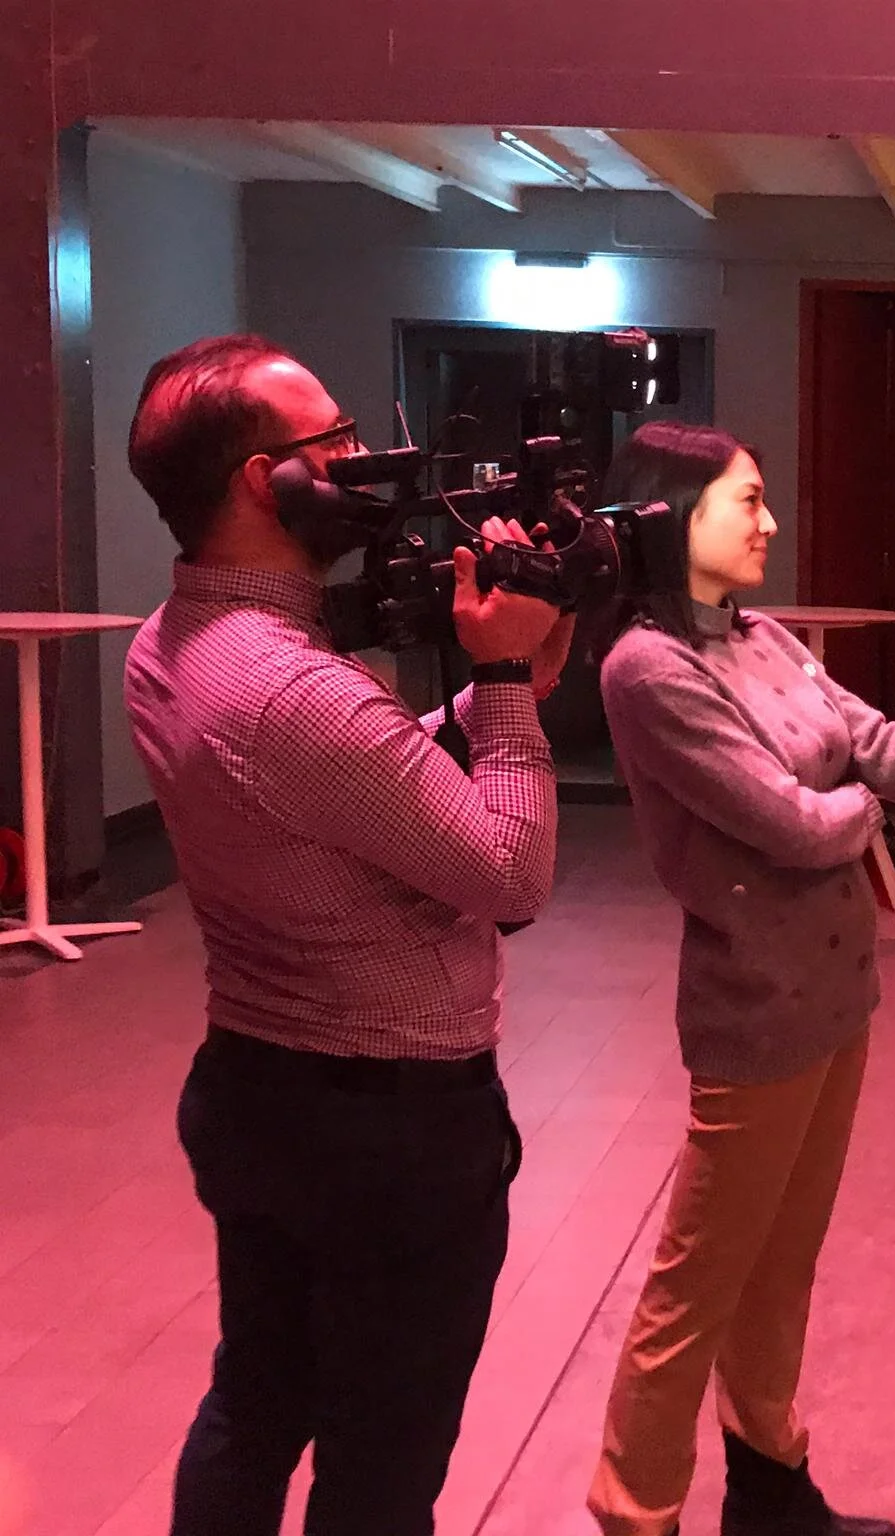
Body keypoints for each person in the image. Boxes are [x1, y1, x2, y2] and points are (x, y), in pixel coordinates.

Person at [586, 423, 895, 1536]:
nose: (769, 522)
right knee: (693, 1287)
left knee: (781, 1266)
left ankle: (771, 1489)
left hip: (836, 997)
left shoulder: (762, 637)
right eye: (747, 500)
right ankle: (634, 1512)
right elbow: (796, 827)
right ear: (670, 516)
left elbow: (892, 752)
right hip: (755, 1009)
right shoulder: (647, 668)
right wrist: (860, 806)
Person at [123, 335, 572, 1534]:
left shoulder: (169, 644)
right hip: (387, 1140)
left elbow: (352, 779)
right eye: (338, 440)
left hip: (257, 1091)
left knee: (255, 1403)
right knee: (381, 1470)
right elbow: (510, 875)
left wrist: (504, 684)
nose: (367, 459)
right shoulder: (294, 688)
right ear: (262, 481)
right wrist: (507, 685)